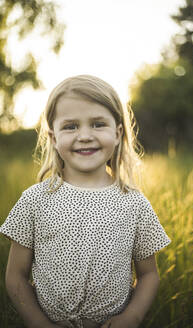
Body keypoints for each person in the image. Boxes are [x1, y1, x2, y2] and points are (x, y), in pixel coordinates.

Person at [0, 75, 171, 328]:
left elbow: (148, 275)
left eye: (97, 124)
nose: (84, 136)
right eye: (70, 126)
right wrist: (39, 324)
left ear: (117, 133)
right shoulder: (34, 200)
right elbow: (15, 276)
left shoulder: (134, 203)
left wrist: (131, 317)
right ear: (54, 137)